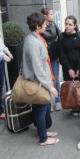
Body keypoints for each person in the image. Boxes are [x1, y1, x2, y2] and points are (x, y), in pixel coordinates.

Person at [22, 12, 59, 146]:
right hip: (38, 82)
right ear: (38, 26)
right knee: (41, 110)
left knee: (41, 109)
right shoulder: (33, 41)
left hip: (40, 80)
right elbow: (38, 67)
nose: (46, 25)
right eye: (44, 24)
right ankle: (43, 138)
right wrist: (49, 86)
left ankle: (41, 132)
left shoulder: (35, 38)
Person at [59, 15, 80, 116]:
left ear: (75, 26)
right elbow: (61, 54)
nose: (67, 26)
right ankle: (73, 106)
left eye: (70, 24)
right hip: (68, 66)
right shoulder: (61, 36)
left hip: (79, 65)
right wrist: (69, 69)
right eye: (66, 24)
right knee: (70, 87)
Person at [41, 7, 62, 111]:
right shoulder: (41, 27)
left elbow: (60, 37)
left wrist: (59, 54)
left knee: (56, 80)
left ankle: (58, 100)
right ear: (45, 16)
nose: (53, 16)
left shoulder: (54, 25)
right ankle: (49, 101)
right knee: (47, 80)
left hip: (54, 56)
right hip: (45, 58)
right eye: (51, 14)